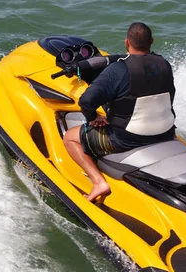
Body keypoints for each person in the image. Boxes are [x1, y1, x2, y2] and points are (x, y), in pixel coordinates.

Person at [63, 22, 176, 202]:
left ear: (126, 43)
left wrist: (93, 118)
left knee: (70, 136)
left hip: (126, 139)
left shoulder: (118, 70)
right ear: (152, 41)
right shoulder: (164, 64)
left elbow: (86, 101)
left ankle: (98, 182)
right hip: (166, 133)